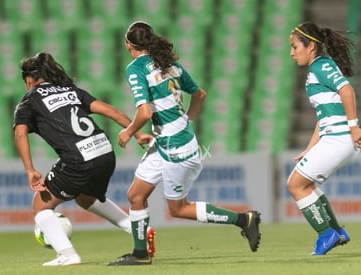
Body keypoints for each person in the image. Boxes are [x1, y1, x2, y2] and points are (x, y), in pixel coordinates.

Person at [107, 21, 261, 266]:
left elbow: (145, 112)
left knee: (178, 209)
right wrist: (187, 119)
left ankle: (244, 220)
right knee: (136, 195)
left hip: (175, 145)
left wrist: (129, 131)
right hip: (170, 140)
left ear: (128, 45)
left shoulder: (136, 68)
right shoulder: (170, 65)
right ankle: (140, 254)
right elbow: (200, 94)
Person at [13, 52, 156, 266]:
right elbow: (111, 111)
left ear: (29, 80)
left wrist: (30, 170)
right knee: (85, 198)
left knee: (40, 207)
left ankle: (67, 255)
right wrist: (136, 134)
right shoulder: (71, 91)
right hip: (104, 152)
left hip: (79, 159)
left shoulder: (29, 100)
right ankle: (137, 228)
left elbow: (20, 133)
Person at [288, 22, 361, 256]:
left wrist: (354, 127)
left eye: (294, 47)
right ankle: (337, 232)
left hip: (340, 138)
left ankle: (326, 234)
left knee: (294, 185)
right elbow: (323, 117)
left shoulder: (321, 66)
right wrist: (310, 149)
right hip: (335, 138)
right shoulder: (317, 68)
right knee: (307, 185)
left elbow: (347, 90)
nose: (292, 53)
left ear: (310, 46)